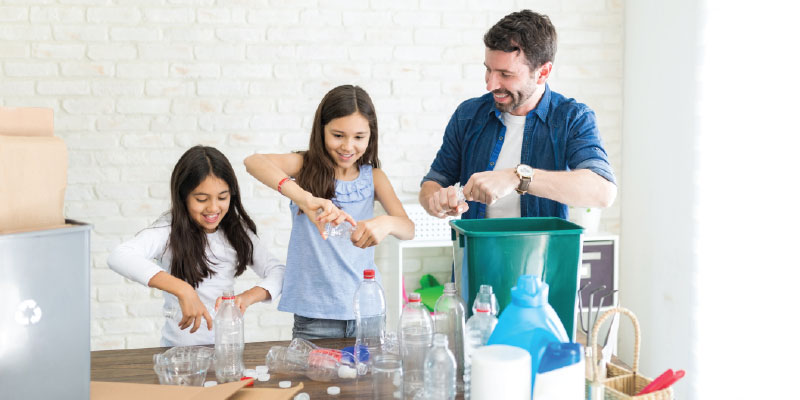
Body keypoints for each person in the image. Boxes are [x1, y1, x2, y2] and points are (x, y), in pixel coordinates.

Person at [244, 84, 415, 340]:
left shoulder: (374, 177)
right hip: (315, 316)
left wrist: (387, 223)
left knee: (367, 380)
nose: (348, 146)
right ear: (321, 130)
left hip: (368, 311)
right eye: (338, 135)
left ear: (371, 136)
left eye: (359, 137)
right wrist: (304, 198)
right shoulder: (303, 166)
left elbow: (408, 229)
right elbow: (253, 162)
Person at [419, 10, 617, 220]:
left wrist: (518, 177)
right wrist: (436, 200)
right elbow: (433, 183)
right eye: (488, 70)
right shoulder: (467, 115)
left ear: (543, 73)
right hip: (478, 252)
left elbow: (603, 192)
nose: (490, 85)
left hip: (544, 252)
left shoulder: (572, 118)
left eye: (506, 74)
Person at [108, 145, 285, 347]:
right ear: (183, 196)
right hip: (180, 352)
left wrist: (246, 298)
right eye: (201, 199)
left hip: (227, 350)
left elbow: (278, 271)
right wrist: (183, 289)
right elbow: (119, 256)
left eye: (222, 197)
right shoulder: (167, 230)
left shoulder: (237, 231)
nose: (213, 208)